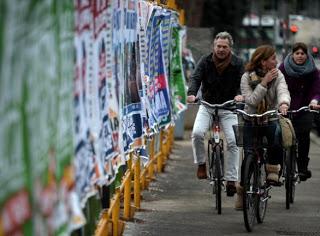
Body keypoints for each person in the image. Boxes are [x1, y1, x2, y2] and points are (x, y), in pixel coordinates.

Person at [187, 31, 244, 197]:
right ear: (214, 46)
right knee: (197, 133)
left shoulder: (238, 63)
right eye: (218, 46)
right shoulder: (205, 61)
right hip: (207, 105)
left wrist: (240, 94)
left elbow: (243, 81)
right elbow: (196, 78)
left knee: (234, 142)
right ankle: (201, 164)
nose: (221, 49)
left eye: (224, 47)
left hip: (228, 107)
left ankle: (232, 180)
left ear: (230, 48)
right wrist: (192, 93)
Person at [236, 45, 291, 209]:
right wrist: (264, 82)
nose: (276, 61)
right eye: (273, 58)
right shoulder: (246, 77)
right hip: (251, 118)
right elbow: (251, 101)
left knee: (276, 133)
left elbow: (283, 90)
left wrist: (283, 103)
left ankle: (273, 169)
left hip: (270, 116)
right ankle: (243, 190)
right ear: (263, 61)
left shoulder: (278, 75)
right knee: (248, 155)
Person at [279, 42, 320, 181]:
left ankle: (302, 167)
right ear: (292, 54)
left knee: (304, 135)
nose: (300, 56)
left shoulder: (313, 70)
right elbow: (278, 85)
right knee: (280, 134)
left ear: (306, 55)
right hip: (286, 106)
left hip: (305, 107)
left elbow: (317, 89)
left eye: (303, 53)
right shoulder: (283, 67)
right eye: (297, 53)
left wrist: (314, 101)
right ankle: (278, 165)